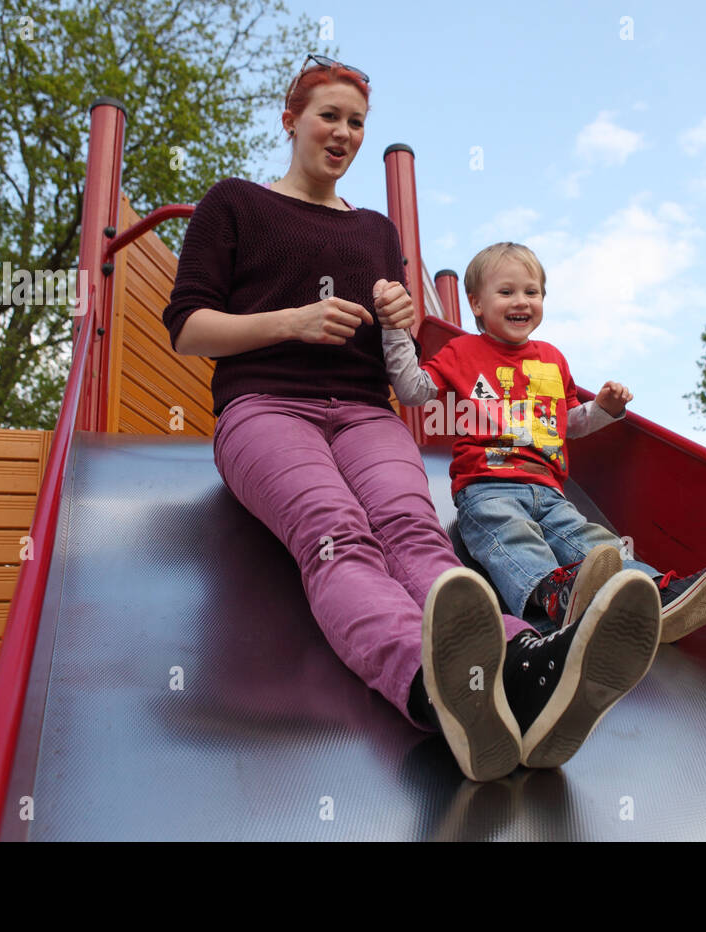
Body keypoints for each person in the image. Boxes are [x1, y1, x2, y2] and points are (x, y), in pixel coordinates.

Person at [161, 57, 660, 783]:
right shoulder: (235, 203)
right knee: (338, 532)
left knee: (415, 534)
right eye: (328, 115)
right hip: (264, 406)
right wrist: (293, 320)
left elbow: (397, 359)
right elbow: (189, 329)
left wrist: (398, 317)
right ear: (291, 119)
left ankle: (525, 663)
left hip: (365, 411)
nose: (343, 133)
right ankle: (432, 686)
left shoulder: (373, 228)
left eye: (356, 122)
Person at [380, 241, 706, 642]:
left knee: (595, 543)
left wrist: (605, 409)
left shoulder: (552, 358)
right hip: (487, 487)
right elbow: (412, 389)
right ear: (476, 304)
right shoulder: (462, 351)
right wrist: (394, 329)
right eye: (506, 292)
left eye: (531, 292)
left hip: (550, 491)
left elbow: (567, 424)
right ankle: (551, 594)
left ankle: (654, 593)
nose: (520, 301)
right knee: (510, 536)